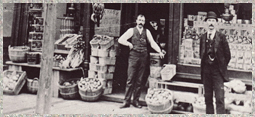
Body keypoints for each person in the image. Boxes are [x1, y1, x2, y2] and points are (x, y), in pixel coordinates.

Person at [118, 14, 165, 108]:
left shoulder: (147, 32)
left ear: (144, 22)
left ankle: (136, 101)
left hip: (143, 57)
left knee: (139, 80)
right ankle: (126, 101)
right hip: (133, 57)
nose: (140, 22)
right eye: (139, 20)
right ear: (136, 21)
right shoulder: (131, 30)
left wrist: (159, 51)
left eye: (142, 21)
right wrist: (128, 44)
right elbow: (120, 39)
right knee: (130, 79)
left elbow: (152, 43)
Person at [199, 11, 231, 114]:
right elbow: (201, 53)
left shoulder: (221, 37)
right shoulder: (203, 37)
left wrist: (220, 65)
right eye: (209, 21)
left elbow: (228, 55)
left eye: (213, 21)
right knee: (208, 98)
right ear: (206, 23)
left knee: (219, 98)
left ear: (216, 23)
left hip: (217, 72)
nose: (211, 23)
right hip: (206, 71)